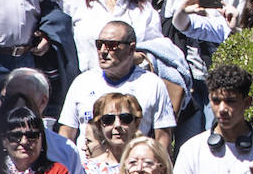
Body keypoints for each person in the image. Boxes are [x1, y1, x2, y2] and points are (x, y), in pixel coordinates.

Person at [57, 20, 175, 149]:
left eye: (111, 45)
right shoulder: (82, 82)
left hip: (131, 165)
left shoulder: (152, 84)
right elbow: (66, 133)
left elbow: (163, 138)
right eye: (99, 44)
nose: (103, 51)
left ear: (131, 49)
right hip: (85, 166)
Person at [1, 67, 91, 174]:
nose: (24, 141)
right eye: (10, 99)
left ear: (43, 101)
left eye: (31, 136)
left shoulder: (64, 157)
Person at [2, 98, 80, 174]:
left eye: (31, 136)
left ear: (41, 140)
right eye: (16, 136)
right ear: (4, 140)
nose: (24, 141)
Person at [82, 92, 144, 174]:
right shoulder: (88, 169)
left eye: (125, 118)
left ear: (136, 123)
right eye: (108, 120)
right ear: (99, 126)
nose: (117, 125)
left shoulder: (147, 166)